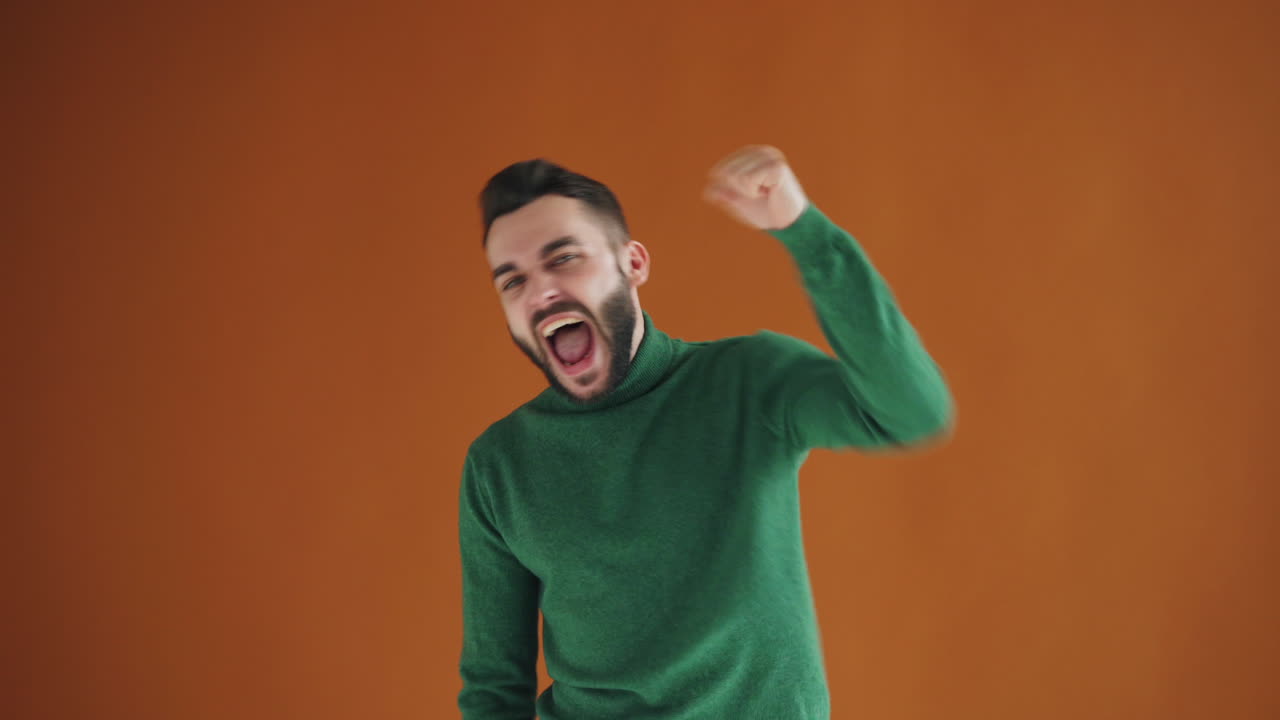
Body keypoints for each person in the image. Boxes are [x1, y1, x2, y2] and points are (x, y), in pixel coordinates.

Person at [457, 145, 955, 720]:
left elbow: (911, 410)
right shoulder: (499, 464)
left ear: (633, 263)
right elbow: (495, 687)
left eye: (564, 258)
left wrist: (804, 232)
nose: (540, 292)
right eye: (512, 281)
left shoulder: (747, 381)